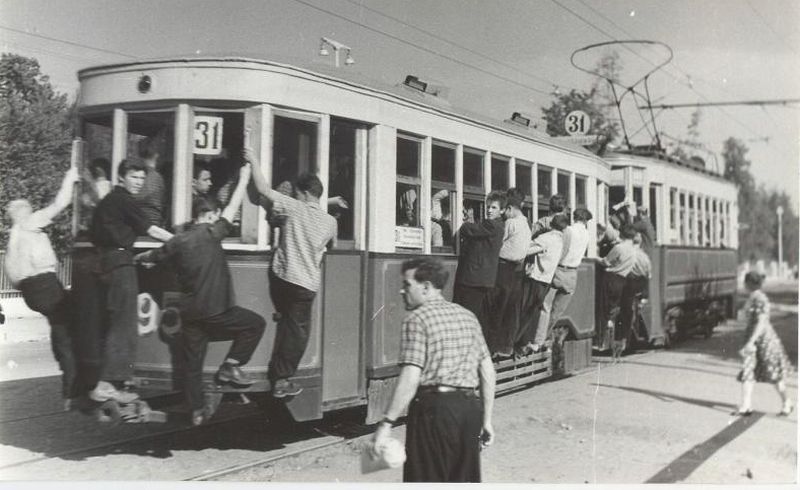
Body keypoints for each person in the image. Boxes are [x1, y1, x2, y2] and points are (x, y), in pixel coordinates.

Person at [135, 164, 265, 425]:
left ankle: (195, 409)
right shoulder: (213, 233)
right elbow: (232, 208)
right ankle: (231, 365)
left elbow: (151, 258)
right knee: (255, 324)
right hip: (218, 310)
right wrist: (243, 179)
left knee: (193, 362)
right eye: (215, 215)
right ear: (209, 216)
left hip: (190, 312)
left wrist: (139, 258)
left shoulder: (177, 241)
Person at [371, 257, 496, 482]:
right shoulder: (467, 315)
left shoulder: (416, 318)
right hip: (469, 410)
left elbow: (410, 376)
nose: (401, 291)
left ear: (427, 288)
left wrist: (386, 423)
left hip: (435, 413)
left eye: (407, 285)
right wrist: (486, 419)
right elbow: (487, 370)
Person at [72, 158, 173, 404]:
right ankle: (107, 385)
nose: (138, 182)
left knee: (111, 322)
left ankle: (103, 381)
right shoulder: (124, 200)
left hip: (104, 263)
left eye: (141, 178)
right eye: (134, 177)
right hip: (119, 264)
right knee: (124, 324)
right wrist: (181, 242)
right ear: (121, 178)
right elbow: (152, 230)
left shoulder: (109, 201)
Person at [246, 148, 337, 399]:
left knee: (286, 322)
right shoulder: (331, 222)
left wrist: (254, 158)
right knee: (298, 332)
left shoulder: (293, 209)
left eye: (297, 192)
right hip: (305, 283)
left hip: (281, 278)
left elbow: (263, 189)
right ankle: (282, 379)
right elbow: (327, 244)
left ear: (304, 193)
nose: (295, 195)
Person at [4, 165, 80, 408]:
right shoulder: (28, 223)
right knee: (72, 326)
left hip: (30, 292)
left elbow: (15, 278)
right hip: (45, 285)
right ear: (23, 213)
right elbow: (60, 203)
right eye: (30, 209)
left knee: (60, 327)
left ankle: (69, 382)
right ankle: (73, 386)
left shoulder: (13, 238)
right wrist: (71, 177)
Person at [534, 208, 592, 363]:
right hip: (572, 274)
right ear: (586, 220)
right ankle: (543, 339)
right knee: (556, 313)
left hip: (559, 270)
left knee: (545, 307)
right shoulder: (587, 234)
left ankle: (538, 341)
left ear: (574, 217)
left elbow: (562, 250)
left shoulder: (569, 231)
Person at [734, 271, 793, 416]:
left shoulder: (760, 298)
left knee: (773, 373)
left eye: (745, 282)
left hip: (764, 340)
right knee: (748, 370)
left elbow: (761, 322)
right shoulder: (753, 297)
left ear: (750, 283)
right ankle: (746, 405)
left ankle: (787, 401)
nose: (743, 284)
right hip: (753, 339)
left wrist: (751, 341)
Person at [452, 191, 506, 339]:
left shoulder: (492, 225)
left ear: (502, 210)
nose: (489, 210)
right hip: (480, 279)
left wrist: (465, 222)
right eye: (488, 207)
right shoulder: (498, 225)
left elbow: (466, 229)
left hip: (474, 279)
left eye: (494, 207)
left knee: (464, 317)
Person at [517, 213, 569, 354]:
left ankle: (519, 343)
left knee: (524, 310)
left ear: (551, 225)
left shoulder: (546, 238)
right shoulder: (561, 240)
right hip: (546, 281)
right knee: (532, 311)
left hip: (535, 279)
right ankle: (524, 343)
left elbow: (523, 250)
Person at [490, 188, 530, 357]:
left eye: (505, 210)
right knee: (511, 311)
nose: (503, 213)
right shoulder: (526, 223)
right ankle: (506, 347)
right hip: (518, 271)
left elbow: (498, 242)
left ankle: (493, 346)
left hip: (504, 268)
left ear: (510, 209)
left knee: (498, 308)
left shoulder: (511, 223)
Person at [599, 224, 637, 357]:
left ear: (622, 234)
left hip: (610, 279)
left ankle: (603, 338)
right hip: (622, 280)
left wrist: (596, 258)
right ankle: (616, 343)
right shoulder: (633, 250)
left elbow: (606, 262)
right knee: (616, 311)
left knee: (605, 310)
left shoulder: (619, 248)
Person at [616, 232, 652, 357]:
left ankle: (626, 340)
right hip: (641, 286)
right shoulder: (644, 256)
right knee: (633, 313)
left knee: (626, 312)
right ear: (640, 242)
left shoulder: (628, 253)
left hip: (629, 284)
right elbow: (648, 274)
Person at [134, 137, 167, 226]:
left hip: (146, 223)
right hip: (152, 223)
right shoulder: (157, 178)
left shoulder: (150, 176)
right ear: (157, 155)